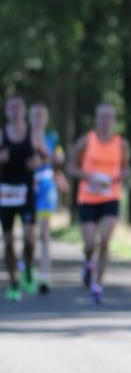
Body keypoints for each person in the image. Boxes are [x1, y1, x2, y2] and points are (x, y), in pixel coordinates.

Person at [67, 104, 131, 304]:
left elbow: (127, 170)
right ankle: (88, 262)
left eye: (109, 117)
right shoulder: (86, 141)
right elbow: (70, 167)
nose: (105, 121)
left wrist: (121, 176)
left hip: (111, 196)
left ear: (114, 120)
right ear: (96, 119)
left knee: (104, 241)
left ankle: (97, 285)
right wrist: (88, 177)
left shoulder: (121, 144)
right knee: (89, 243)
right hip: (88, 197)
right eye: (101, 117)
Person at [1, 94, 49, 301]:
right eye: (11, 108)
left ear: (24, 110)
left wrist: (37, 161)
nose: (15, 111)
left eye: (18, 107)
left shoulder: (34, 134)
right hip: (5, 193)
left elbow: (46, 156)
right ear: (6, 112)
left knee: (30, 238)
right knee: (9, 242)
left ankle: (28, 267)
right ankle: (13, 282)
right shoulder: (1, 134)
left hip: (27, 191)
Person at [29, 103, 69, 294]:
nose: (37, 120)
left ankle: (44, 275)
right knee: (29, 234)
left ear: (46, 119)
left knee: (44, 233)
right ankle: (27, 268)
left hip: (46, 188)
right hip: (28, 188)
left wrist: (44, 153)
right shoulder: (24, 137)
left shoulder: (52, 138)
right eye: (34, 116)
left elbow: (58, 159)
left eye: (41, 116)